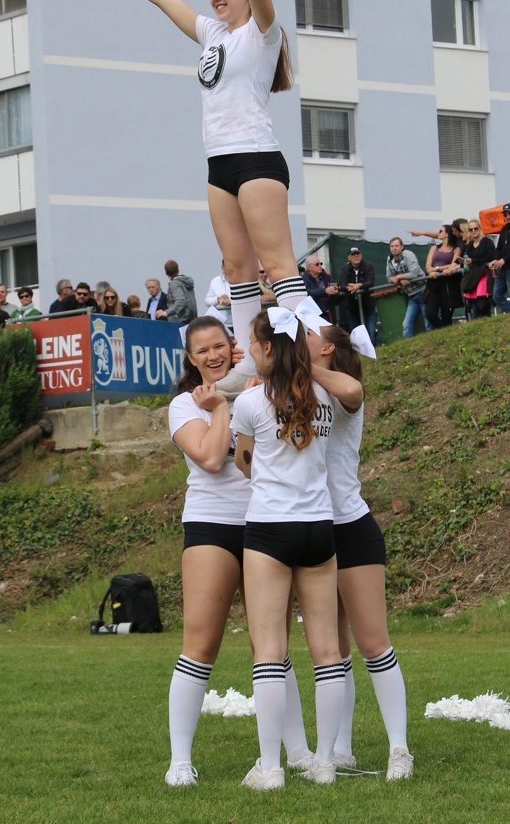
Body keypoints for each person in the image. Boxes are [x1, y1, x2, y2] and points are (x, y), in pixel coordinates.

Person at [105, 0, 307, 399]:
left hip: (257, 156)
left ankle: (306, 346)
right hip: (219, 165)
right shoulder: (211, 33)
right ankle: (250, 358)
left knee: (276, 265)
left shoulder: (262, 32)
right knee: (238, 269)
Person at [231, 303, 361, 789]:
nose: (248, 352)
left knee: (269, 650)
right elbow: (350, 395)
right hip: (319, 527)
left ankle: (271, 768)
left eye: (253, 343)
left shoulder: (250, 401)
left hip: (269, 528)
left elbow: (243, 459)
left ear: (268, 348)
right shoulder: (324, 396)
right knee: (327, 651)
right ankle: (325, 762)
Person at [304, 322, 414, 781]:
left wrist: (301, 364)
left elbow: (353, 388)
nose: (298, 338)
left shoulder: (343, 390)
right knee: (333, 650)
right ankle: (341, 750)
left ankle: (399, 751)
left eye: (307, 334)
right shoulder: (302, 389)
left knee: (373, 644)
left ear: (326, 347)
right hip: (311, 530)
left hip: (351, 529)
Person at [165, 316, 252, 786]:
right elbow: (213, 459)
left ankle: (295, 753)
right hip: (211, 526)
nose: (213, 356)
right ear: (190, 359)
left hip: (264, 526)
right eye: (203, 351)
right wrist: (220, 408)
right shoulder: (184, 405)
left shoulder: (258, 393)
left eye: (220, 346)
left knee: (272, 649)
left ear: (233, 346)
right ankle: (180, 761)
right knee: (200, 646)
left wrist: (246, 392)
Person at [385, 238, 431, 339]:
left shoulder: (408, 255)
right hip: (411, 295)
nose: (394, 248)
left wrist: (398, 276)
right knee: (406, 324)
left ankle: (433, 341)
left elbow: (414, 273)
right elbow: (389, 277)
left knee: (428, 319)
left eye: (396, 246)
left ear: (402, 246)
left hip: (423, 291)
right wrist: (400, 280)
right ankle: (407, 345)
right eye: (392, 246)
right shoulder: (389, 259)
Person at [423, 225, 462, 329]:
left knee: (447, 315)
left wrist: (436, 269)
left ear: (447, 234)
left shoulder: (456, 249)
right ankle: (444, 329)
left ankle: (447, 330)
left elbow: (454, 263)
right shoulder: (434, 248)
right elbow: (427, 266)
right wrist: (431, 271)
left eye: (441, 231)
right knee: (430, 314)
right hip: (434, 283)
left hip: (448, 284)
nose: (438, 233)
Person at [339, 248, 377, 345]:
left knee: (371, 332)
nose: (356, 256)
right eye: (353, 254)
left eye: (358, 254)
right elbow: (342, 284)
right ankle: (360, 357)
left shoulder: (368, 266)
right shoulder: (345, 268)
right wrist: (350, 287)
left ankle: (373, 355)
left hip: (368, 306)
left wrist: (359, 285)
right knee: (355, 335)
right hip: (352, 307)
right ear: (349, 257)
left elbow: (370, 282)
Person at [462, 219, 495, 319]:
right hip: (473, 277)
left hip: (484, 276)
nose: (473, 231)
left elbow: (490, 258)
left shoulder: (487, 242)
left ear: (480, 228)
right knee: (472, 306)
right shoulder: (469, 246)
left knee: (483, 305)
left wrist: (473, 260)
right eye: (470, 229)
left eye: (475, 228)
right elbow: (465, 258)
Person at [489, 203, 510, 314]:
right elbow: (499, 247)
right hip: (501, 268)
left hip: (507, 266)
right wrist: (495, 259)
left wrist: (504, 259)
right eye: (505, 215)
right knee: (496, 296)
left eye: (509, 214)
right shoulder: (504, 229)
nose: (507, 217)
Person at [302, 257, 338, 321]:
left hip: (329, 314)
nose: (320, 266)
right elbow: (307, 292)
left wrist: (334, 289)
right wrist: (325, 291)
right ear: (309, 267)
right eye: (317, 264)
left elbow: (334, 284)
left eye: (320, 263)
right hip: (314, 315)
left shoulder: (325, 275)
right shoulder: (304, 278)